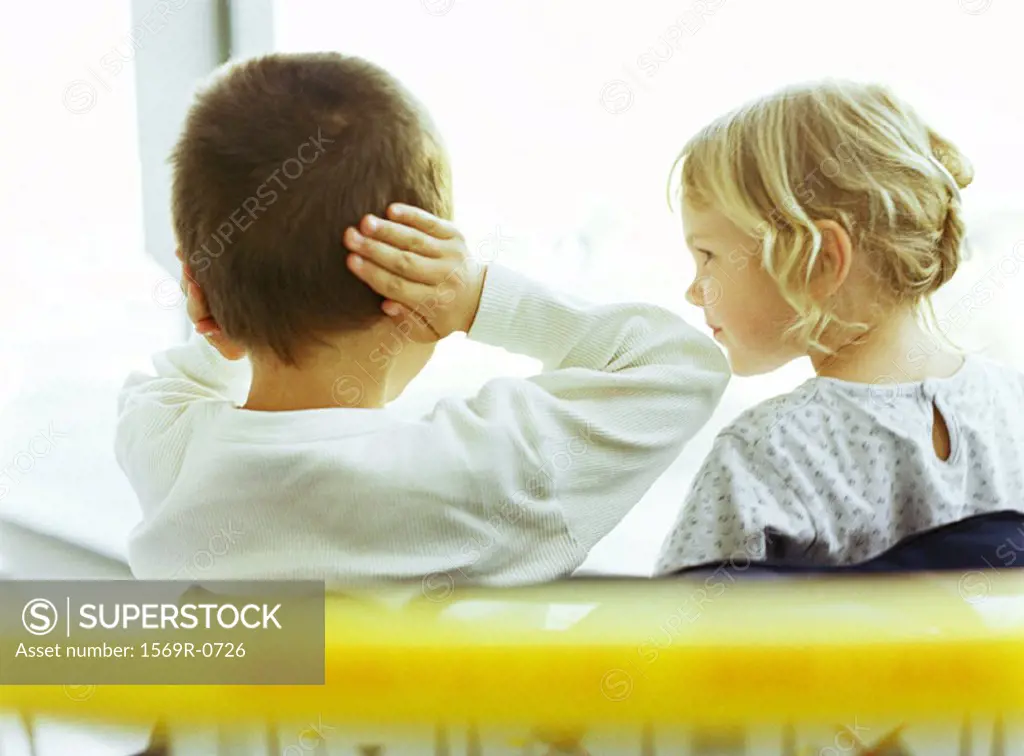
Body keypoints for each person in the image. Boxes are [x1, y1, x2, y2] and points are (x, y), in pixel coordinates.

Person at [114, 52, 730, 587]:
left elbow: (167, 386)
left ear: (200, 292)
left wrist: (226, 301)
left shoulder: (167, 450)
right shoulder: (480, 473)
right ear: (414, 296)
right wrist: (478, 296)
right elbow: (680, 363)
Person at [655, 79, 1024, 574]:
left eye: (707, 255)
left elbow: (680, 638)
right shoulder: (1014, 402)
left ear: (821, 260)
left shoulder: (767, 452)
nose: (695, 289)